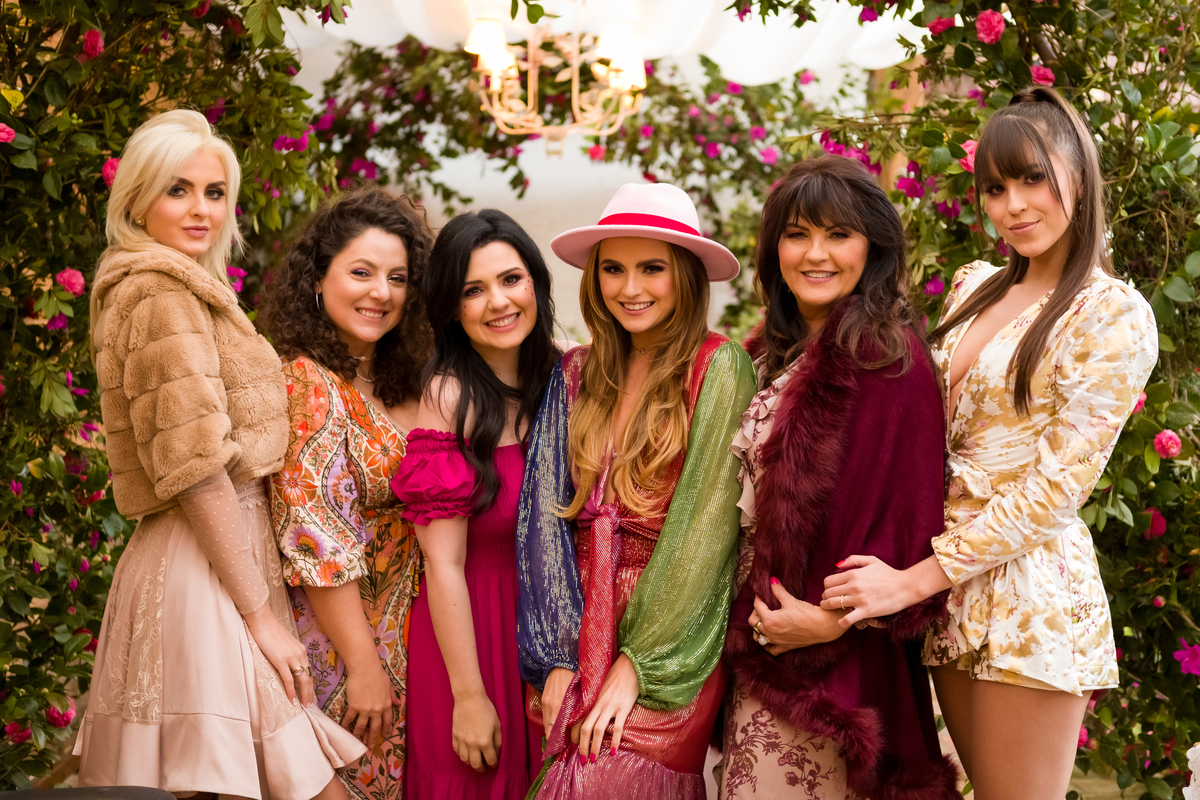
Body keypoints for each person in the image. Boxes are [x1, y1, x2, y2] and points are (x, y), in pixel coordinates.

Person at [820, 86, 1158, 799]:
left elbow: (1056, 490)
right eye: (996, 189)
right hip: (950, 585)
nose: (1014, 206)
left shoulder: (1111, 313)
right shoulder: (974, 286)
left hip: (1028, 588)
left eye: (1034, 179)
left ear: (1079, 172)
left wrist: (911, 581)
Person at [76, 109, 364, 799]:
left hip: (221, 554)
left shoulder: (182, 289)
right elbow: (195, 465)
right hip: (203, 563)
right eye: (177, 190)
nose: (201, 209)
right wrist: (259, 616)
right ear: (137, 201)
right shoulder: (158, 293)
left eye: (214, 192)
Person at [718, 157, 959, 800]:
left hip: (830, 673)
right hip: (758, 650)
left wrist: (835, 620)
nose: (816, 254)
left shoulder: (886, 356)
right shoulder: (767, 354)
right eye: (797, 235)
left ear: (872, 247)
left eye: (839, 235)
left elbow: (911, 516)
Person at [517, 183, 756, 799]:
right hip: (575, 619)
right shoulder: (574, 371)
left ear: (685, 277)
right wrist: (555, 655)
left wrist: (639, 665)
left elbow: (705, 533)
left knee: (607, 780)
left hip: (672, 630)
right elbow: (542, 523)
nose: (629, 288)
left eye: (652, 268)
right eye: (613, 269)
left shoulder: (717, 365)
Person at [260, 187, 434, 800]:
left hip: (405, 641)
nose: (381, 292)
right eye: (361, 272)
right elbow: (316, 540)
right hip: (342, 652)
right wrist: (363, 668)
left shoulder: (394, 378)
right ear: (318, 278)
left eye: (397, 278)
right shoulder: (308, 383)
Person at [390, 210, 559, 798]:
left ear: (535, 282)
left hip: (549, 635)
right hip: (469, 637)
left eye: (511, 280)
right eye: (473, 290)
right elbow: (443, 564)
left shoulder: (567, 375)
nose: (499, 302)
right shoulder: (448, 397)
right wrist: (469, 695)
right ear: (452, 309)